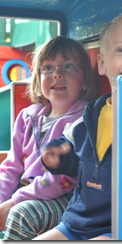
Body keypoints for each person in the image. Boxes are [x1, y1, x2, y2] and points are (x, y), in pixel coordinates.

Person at [33, 9, 122, 240]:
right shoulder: (91, 113)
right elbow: (76, 157)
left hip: (119, 227)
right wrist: (57, 158)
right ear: (102, 64)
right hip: (78, 220)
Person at [0, 36, 97, 240]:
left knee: (21, 214)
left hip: (68, 197)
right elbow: (11, 167)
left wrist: (14, 201)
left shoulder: (85, 119)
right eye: (48, 68)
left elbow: (63, 179)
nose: (57, 75)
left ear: (85, 79)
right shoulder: (28, 117)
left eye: (68, 67)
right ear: (38, 77)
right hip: (28, 192)